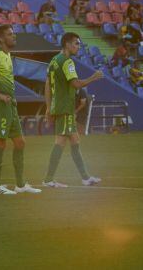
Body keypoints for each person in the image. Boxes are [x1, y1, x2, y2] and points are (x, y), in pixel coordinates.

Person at [0, 25, 40, 195]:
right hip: (1, 104)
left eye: (14, 33)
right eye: (10, 34)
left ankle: (20, 185)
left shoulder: (7, 55)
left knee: (20, 142)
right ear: (1, 38)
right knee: (0, 141)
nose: (14, 36)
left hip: (10, 104)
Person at [42, 33, 104, 189]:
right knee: (60, 142)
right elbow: (76, 84)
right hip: (65, 107)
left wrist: (49, 108)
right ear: (68, 44)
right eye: (76, 43)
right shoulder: (67, 62)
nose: (78, 46)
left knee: (74, 140)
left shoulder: (54, 61)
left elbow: (47, 86)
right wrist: (93, 77)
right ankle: (49, 179)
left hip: (60, 106)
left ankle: (85, 177)